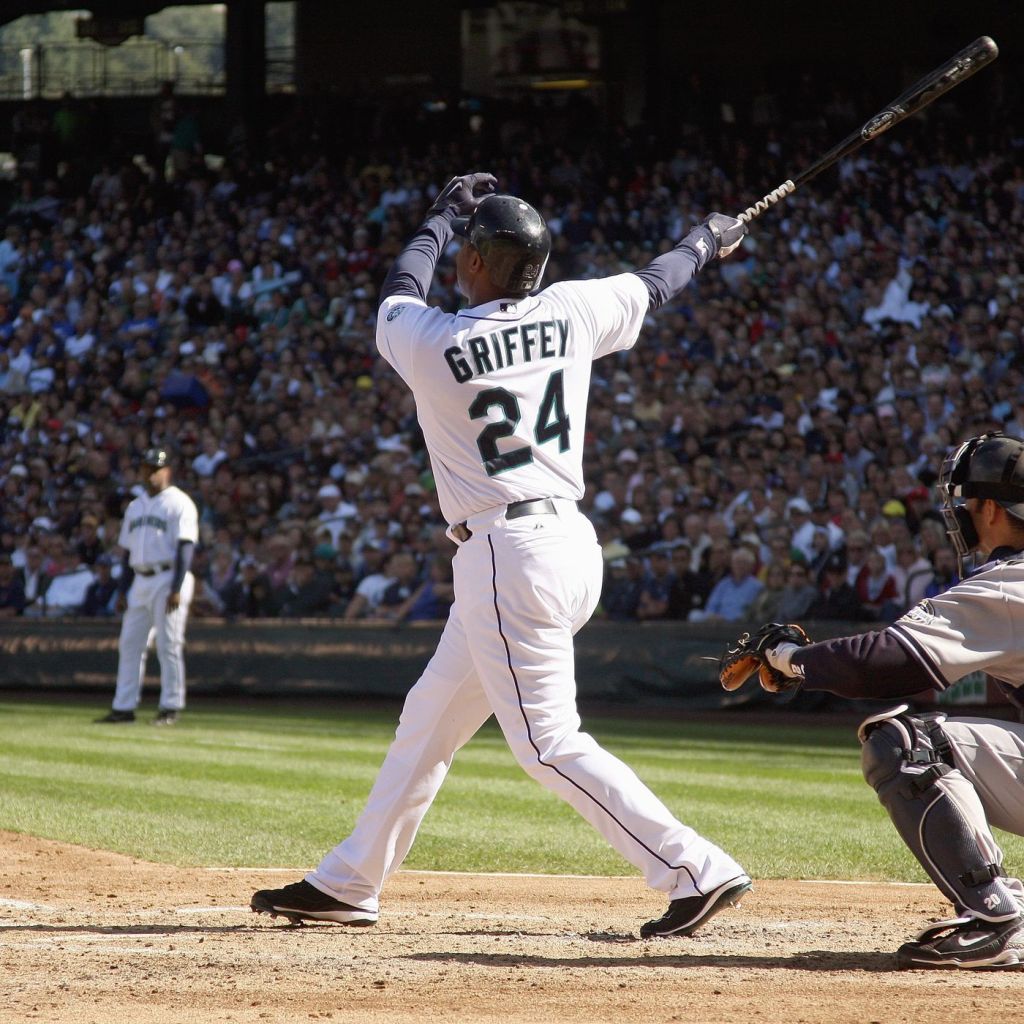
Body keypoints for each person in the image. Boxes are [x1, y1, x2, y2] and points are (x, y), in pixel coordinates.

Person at [252, 174, 751, 936]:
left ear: (478, 261)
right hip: (567, 545)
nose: (459, 257)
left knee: (548, 743)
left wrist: (437, 217)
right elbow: (658, 282)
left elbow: (397, 290)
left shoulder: (437, 341)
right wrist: (707, 240)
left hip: (505, 554)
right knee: (428, 718)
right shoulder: (571, 308)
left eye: (468, 248)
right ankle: (350, 881)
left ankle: (696, 868)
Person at [746, 432, 1024, 969]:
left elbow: (883, 661)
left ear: (990, 509)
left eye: (965, 502)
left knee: (904, 743)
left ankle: (997, 919)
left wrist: (787, 657)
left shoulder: (1009, 584)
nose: (959, 514)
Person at [97, 448, 198, 726]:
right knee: (130, 644)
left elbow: (185, 548)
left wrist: (176, 587)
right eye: (147, 468)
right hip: (140, 579)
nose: (151, 473)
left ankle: (170, 707)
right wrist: (122, 590)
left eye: (156, 468)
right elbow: (127, 553)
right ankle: (123, 707)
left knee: (168, 644)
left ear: (167, 471)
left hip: (169, 576)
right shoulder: (135, 506)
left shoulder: (180, 502)